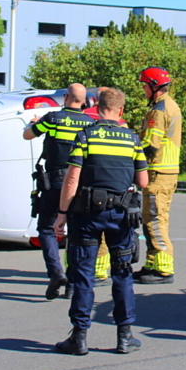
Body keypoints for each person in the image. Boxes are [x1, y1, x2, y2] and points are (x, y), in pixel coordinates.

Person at [53, 87, 148, 356]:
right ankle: (125, 336)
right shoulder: (132, 139)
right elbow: (143, 181)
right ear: (121, 111)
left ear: (96, 107)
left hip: (86, 215)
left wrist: (61, 215)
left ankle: (79, 337)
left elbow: (72, 179)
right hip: (121, 216)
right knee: (123, 273)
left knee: (83, 273)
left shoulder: (85, 136)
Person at [23, 83, 95, 299]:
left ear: (66, 97)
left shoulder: (52, 118)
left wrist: (33, 123)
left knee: (46, 228)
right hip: (81, 183)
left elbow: (28, 135)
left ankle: (55, 272)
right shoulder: (91, 124)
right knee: (75, 232)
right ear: (84, 101)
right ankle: (72, 283)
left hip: (55, 180)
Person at [134, 67, 181, 285]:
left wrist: (126, 148)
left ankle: (163, 269)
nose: (143, 90)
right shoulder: (166, 105)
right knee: (152, 219)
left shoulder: (159, 110)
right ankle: (152, 264)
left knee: (155, 221)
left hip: (158, 173)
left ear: (154, 86)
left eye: (144, 85)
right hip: (163, 172)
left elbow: (149, 145)